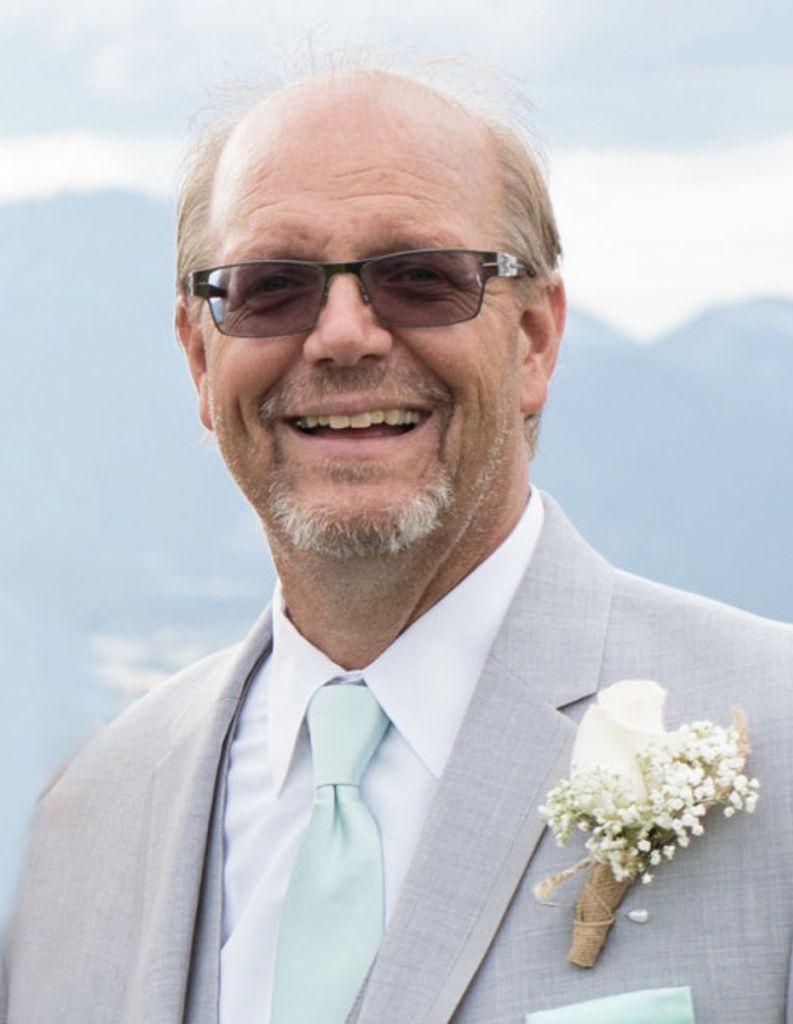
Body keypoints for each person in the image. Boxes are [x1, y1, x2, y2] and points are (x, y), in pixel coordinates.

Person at [3, 58, 793, 1024]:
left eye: (419, 278)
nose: (344, 335)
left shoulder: (777, 730)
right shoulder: (81, 824)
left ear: (533, 339)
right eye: (270, 288)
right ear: (201, 359)